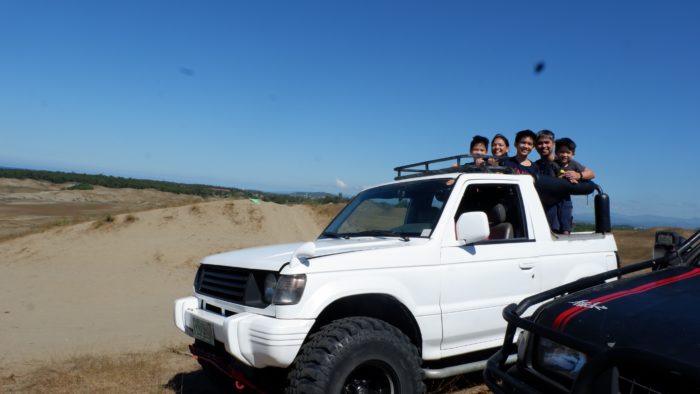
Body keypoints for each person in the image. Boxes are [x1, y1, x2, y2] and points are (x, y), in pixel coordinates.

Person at [555, 137, 595, 234]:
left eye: (568, 152)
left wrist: (578, 176)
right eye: (561, 152)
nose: (564, 155)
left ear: (573, 154)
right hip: (553, 197)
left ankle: (566, 231)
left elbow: (592, 174)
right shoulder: (553, 164)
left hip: (565, 198)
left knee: (566, 214)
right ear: (556, 152)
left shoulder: (574, 165)